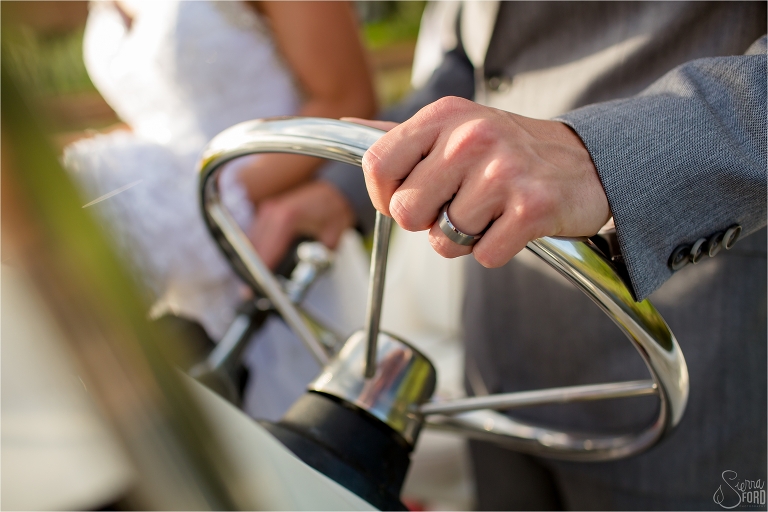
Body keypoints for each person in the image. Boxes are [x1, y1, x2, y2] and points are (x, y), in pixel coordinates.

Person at [256, 2, 767, 509]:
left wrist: (603, 156)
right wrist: (346, 187)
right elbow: (476, 63)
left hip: (700, 344)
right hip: (498, 363)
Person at [63, 0, 375, 421]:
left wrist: (207, 202)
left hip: (276, 241)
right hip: (185, 271)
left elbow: (348, 99)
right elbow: (164, 112)